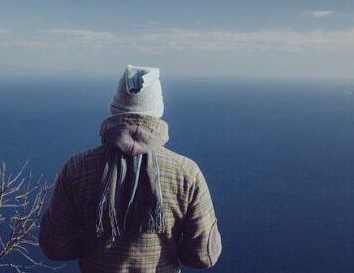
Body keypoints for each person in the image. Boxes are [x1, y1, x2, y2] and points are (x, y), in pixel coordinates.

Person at [39, 65, 222, 272]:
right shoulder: (186, 172)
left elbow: (56, 248)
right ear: (157, 113)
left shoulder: (76, 167)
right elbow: (203, 256)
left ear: (115, 109)